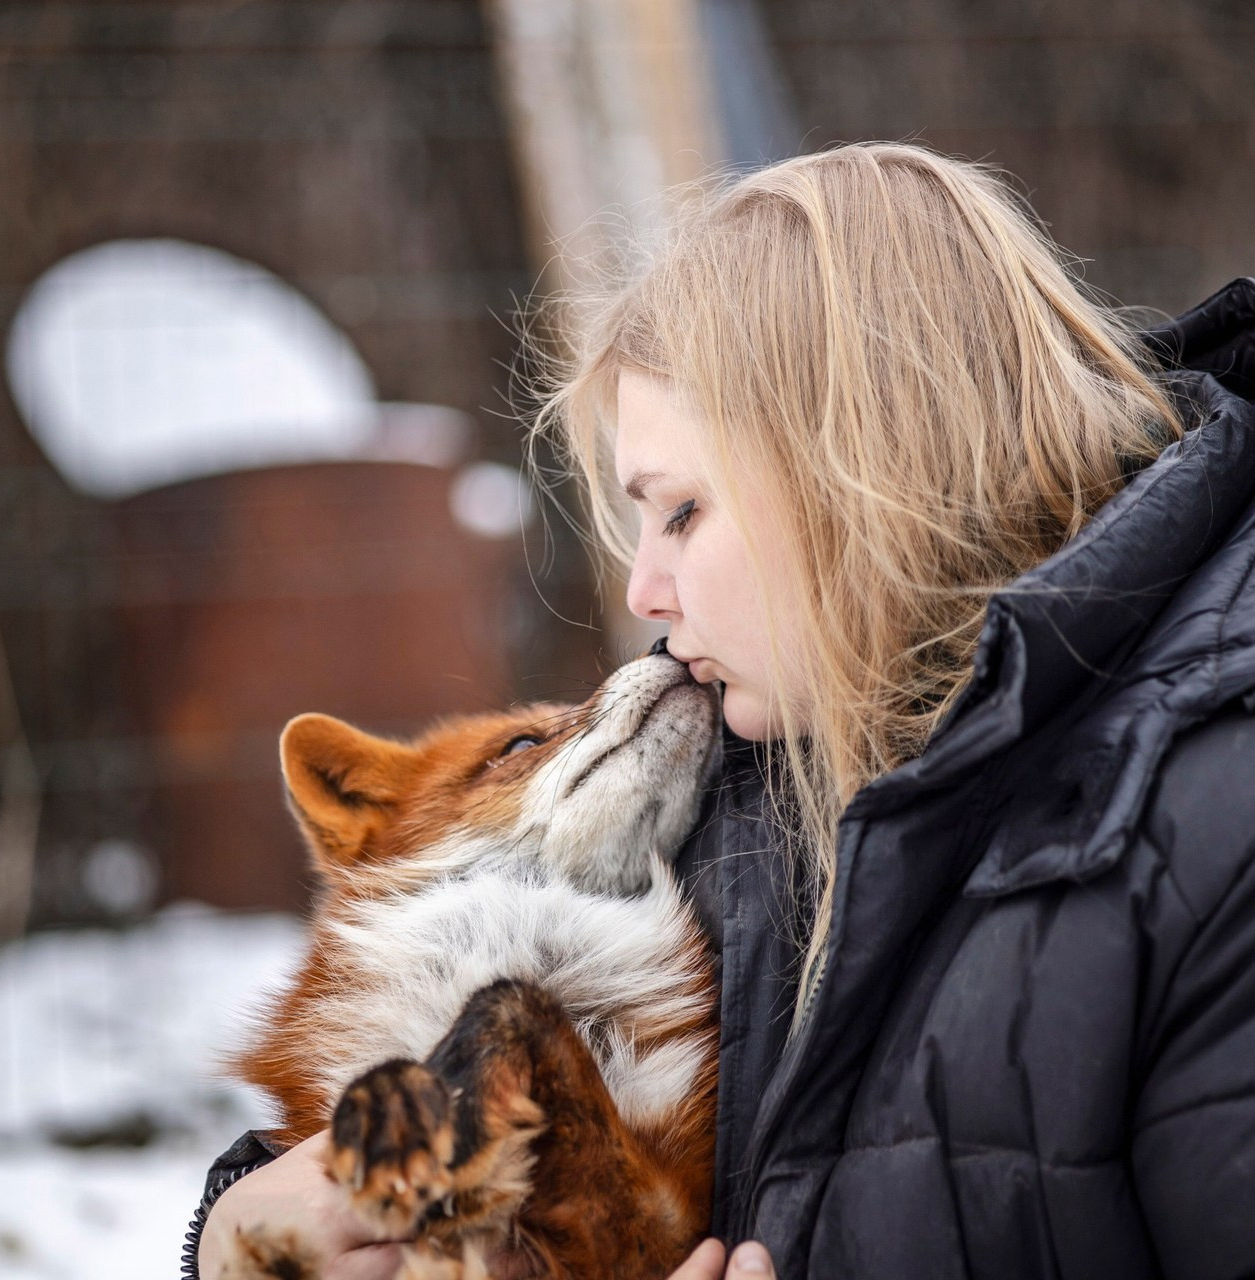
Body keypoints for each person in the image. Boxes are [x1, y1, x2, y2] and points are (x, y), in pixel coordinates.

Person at [190, 143, 1255, 1279]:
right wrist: (236, 1236)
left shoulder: (1214, 819)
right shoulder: (749, 782)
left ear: (855, 463)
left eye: (682, 510)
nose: (645, 592)